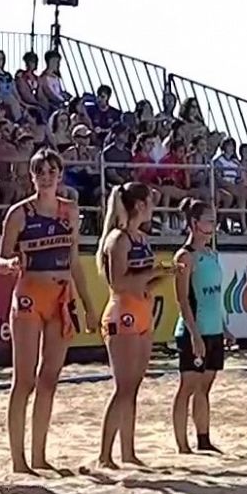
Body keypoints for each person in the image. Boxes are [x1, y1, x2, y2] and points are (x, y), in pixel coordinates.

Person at [0, 149, 96, 474]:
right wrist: (10, 264)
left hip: (60, 295)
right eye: (41, 171)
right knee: (22, 379)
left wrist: (89, 304)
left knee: (49, 378)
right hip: (29, 295)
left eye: (52, 171)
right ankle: (18, 459)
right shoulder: (19, 213)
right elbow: (0, 259)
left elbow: (74, 260)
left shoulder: (70, 211)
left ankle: (39, 455)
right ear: (32, 176)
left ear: (59, 174)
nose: (47, 176)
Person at [95, 182, 168, 469]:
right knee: (122, 387)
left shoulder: (140, 237)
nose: (153, 206)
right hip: (122, 314)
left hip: (141, 312)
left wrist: (166, 274)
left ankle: (128, 451)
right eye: (150, 200)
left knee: (133, 387)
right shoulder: (119, 239)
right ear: (139, 204)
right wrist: (154, 272)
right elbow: (119, 282)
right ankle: (104, 455)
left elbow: (144, 280)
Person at [171, 199, 229, 454]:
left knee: (205, 387)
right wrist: (195, 335)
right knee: (188, 387)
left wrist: (224, 326)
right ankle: (182, 444)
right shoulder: (186, 256)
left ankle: (203, 438)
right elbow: (183, 300)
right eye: (209, 220)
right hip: (194, 330)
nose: (213, 225)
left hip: (213, 328)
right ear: (194, 224)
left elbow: (215, 297)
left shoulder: (211, 254)